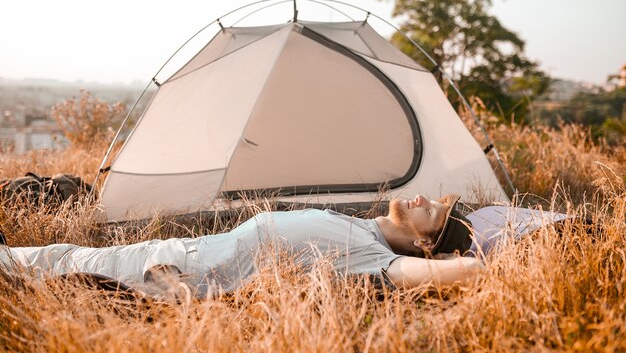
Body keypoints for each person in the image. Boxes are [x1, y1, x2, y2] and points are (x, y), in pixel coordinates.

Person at [0, 193, 484, 297]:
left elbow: (439, 273)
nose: (423, 198)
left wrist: (469, 263)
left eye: (433, 211)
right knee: (57, 256)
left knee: (58, 262)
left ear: (427, 242)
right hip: (182, 252)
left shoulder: (375, 258)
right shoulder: (364, 228)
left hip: (177, 273)